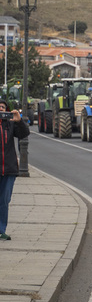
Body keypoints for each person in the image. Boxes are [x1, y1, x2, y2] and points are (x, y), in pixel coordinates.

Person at [0, 101, 29, 241]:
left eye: (3, 108)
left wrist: (19, 121)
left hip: (9, 169)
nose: (0, 109)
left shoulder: (10, 124)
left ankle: (1, 230)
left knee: (4, 201)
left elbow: (24, 134)